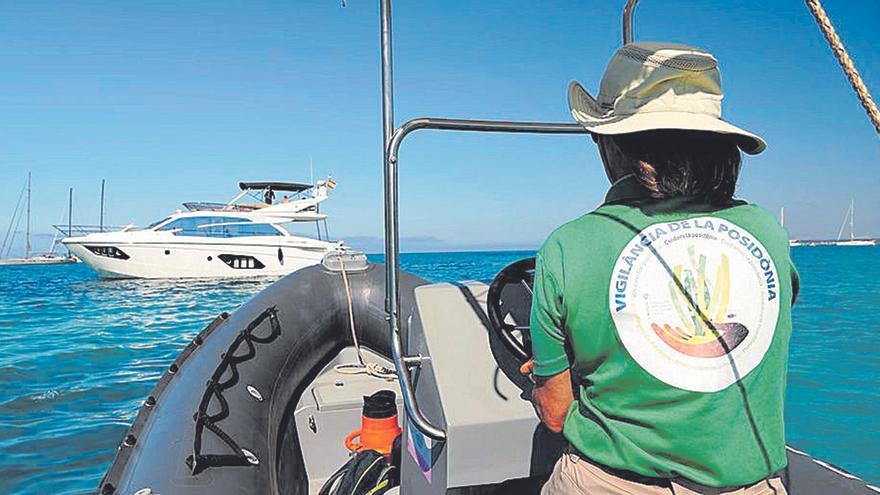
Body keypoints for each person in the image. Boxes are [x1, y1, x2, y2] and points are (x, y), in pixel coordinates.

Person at [523, 42, 798, 494]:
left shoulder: (568, 246)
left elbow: (555, 414)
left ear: (611, 144)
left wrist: (546, 378)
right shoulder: (766, 230)